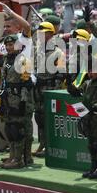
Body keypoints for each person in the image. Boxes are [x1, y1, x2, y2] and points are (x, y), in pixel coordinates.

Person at [67, 57, 97, 179]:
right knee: (91, 144)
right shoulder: (87, 83)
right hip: (88, 118)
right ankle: (93, 167)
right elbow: (76, 92)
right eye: (89, 71)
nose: (91, 73)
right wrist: (70, 84)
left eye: (93, 70)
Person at [0, 34, 34, 169]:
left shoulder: (23, 60)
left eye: (11, 44)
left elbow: (26, 83)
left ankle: (20, 158)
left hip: (19, 99)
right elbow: (3, 79)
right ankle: (12, 155)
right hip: (7, 98)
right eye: (7, 45)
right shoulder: (6, 59)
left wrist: (22, 103)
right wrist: (1, 95)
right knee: (9, 129)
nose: (8, 47)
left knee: (18, 129)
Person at [33, 22, 66, 157]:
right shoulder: (38, 50)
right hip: (38, 87)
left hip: (51, 87)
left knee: (50, 119)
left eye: (44, 33)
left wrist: (54, 92)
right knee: (39, 117)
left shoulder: (58, 52)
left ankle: (51, 145)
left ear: (51, 34)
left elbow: (61, 73)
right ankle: (42, 143)